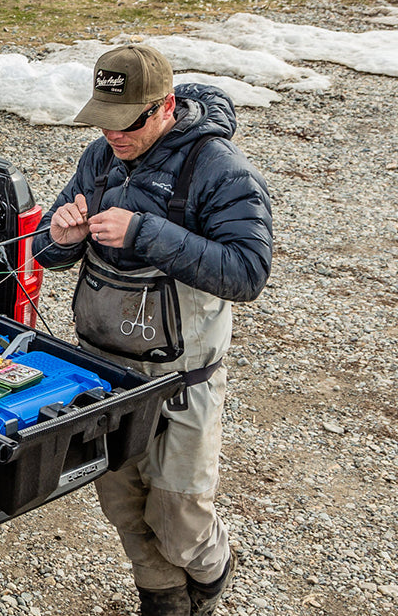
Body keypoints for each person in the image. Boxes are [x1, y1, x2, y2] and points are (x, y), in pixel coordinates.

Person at [33, 43, 273, 616]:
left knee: (178, 513)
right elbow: (46, 247)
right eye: (104, 121)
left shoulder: (219, 169)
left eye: (127, 123)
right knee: (124, 503)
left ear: (165, 106)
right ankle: (164, 602)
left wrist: (145, 234)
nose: (114, 135)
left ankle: (211, 577)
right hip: (102, 374)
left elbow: (247, 272)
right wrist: (59, 237)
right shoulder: (99, 157)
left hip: (181, 375)